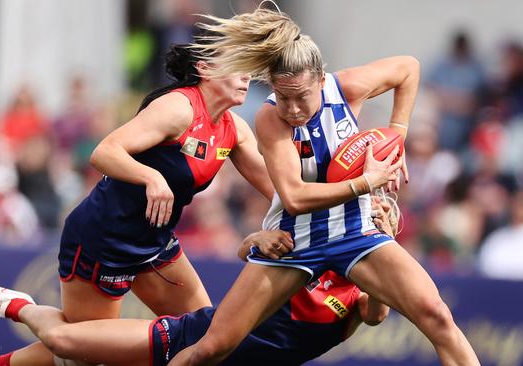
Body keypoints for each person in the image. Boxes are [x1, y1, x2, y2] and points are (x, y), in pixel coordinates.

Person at [168, 7, 480, 366]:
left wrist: (398, 135)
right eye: (284, 96)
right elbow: (295, 198)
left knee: (437, 316)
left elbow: (408, 67)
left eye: (302, 96)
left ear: (321, 81)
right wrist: (367, 182)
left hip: (355, 232)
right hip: (294, 241)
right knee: (213, 347)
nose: (294, 108)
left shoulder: (346, 88)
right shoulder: (269, 118)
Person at [0, 41, 273, 365]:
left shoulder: (235, 130)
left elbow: (279, 191)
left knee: (209, 337)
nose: (246, 77)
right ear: (204, 68)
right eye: (238, 67)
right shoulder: (178, 108)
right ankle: (15, 316)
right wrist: (152, 178)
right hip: (104, 239)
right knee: (85, 354)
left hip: (155, 242)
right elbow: (104, 152)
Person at [0, 199, 397, 366]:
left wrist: (383, 244)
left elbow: (376, 316)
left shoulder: (363, 292)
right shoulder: (312, 248)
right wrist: (256, 238)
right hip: (193, 339)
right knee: (70, 344)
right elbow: (250, 254)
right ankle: (11, 303)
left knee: (86, 357)